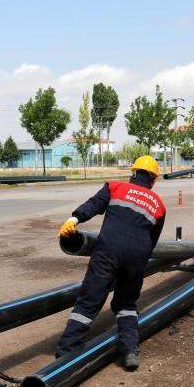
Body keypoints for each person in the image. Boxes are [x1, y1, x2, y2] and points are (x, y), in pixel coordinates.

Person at [56, 155, 166, 370]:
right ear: (153, 180)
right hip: (139, 255)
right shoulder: (159, 205)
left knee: (89, 301)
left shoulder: (115, 187)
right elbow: (153, 241)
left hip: (109, 249)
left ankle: (66, 355)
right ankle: (131, 352)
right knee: (126, 304)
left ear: (133, 173)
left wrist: (74, 219)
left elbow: (94, 205)